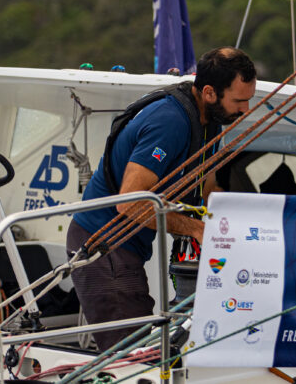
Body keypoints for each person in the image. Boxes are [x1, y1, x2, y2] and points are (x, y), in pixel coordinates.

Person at [66, 47, 257, 349]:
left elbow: (206, 188)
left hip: (128, 249)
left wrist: (252, 224)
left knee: (149, 350)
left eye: (249, 100)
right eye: (239, 101)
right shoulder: (170, 122)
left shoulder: (210, 123)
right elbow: (129, 202)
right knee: (132, 357)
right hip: (103, 244)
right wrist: (196, 229)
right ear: (209, 92)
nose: (246, 110)